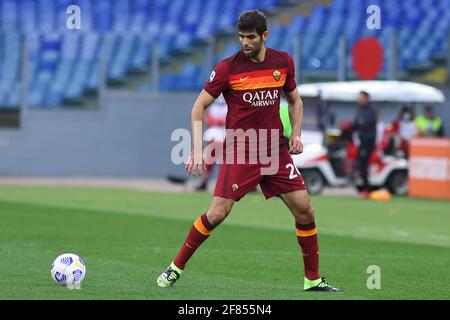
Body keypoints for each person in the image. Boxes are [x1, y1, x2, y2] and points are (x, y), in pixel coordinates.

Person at [156, 10, 341, 292]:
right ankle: (174, 268)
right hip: (242, 150)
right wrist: (196, 149)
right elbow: (199, 107)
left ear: (264, 35)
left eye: (250, 37)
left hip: (275, 151)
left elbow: (295, 101)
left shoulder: (283, 62)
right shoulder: (227, 68)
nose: (245, 42)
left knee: (305, 210)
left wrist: (297, 134)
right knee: (218, 213)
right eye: (241, 37)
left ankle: (312, 279)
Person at [196, 95, 228, 191]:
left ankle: (223, 183)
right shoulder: (213, 107)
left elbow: (225, 121)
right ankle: (205, 181)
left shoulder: (228, 107)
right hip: (213, 135)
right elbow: (209, 120)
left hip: (224, 135)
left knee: (223, 161)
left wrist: (218, 122)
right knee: (209, 160)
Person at [353, 91, 377, 199]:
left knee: (364, 165)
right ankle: (364, 188)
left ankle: (367, 190)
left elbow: (365, 123)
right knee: (361, 165)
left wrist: (360, 122)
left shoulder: (370, 110)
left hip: (368, 142)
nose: (359, 100)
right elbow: (356, 123)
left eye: (361, 98)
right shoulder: (361, 110)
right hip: (362, 141)